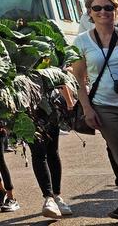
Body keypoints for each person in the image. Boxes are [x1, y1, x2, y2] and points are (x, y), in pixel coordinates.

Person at [73, 0, 118, 224]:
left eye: (109, 7)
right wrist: (87, 109)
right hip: (107, 110)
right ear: (90, 13)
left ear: (117, 10)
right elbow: (79, 80)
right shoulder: (81, 41)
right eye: (98, 8)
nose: (104, 12)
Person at [30, 86, 74, 218]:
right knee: (38, 152)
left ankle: (57, 196)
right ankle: (49, 198)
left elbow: (60, 77)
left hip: (51, 105)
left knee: (52, 152)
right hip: (28, 105)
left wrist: (69, 102)